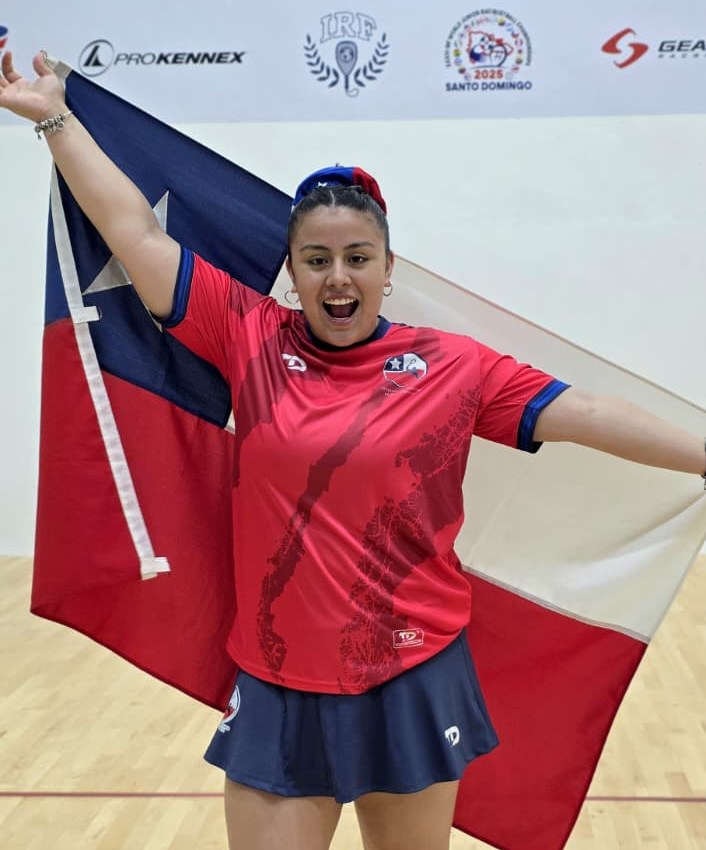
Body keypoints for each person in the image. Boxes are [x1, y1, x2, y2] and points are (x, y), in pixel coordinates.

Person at [1, 51, 704, 850]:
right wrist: (55, 118)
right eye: (317, 260)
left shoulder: (455, 365)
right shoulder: (247, 335)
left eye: (357, 258)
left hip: (412, 675)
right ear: (293, 272)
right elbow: (134, 232)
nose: (338, 278)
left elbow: (584, 410)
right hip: (277, 682)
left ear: (387, 268)